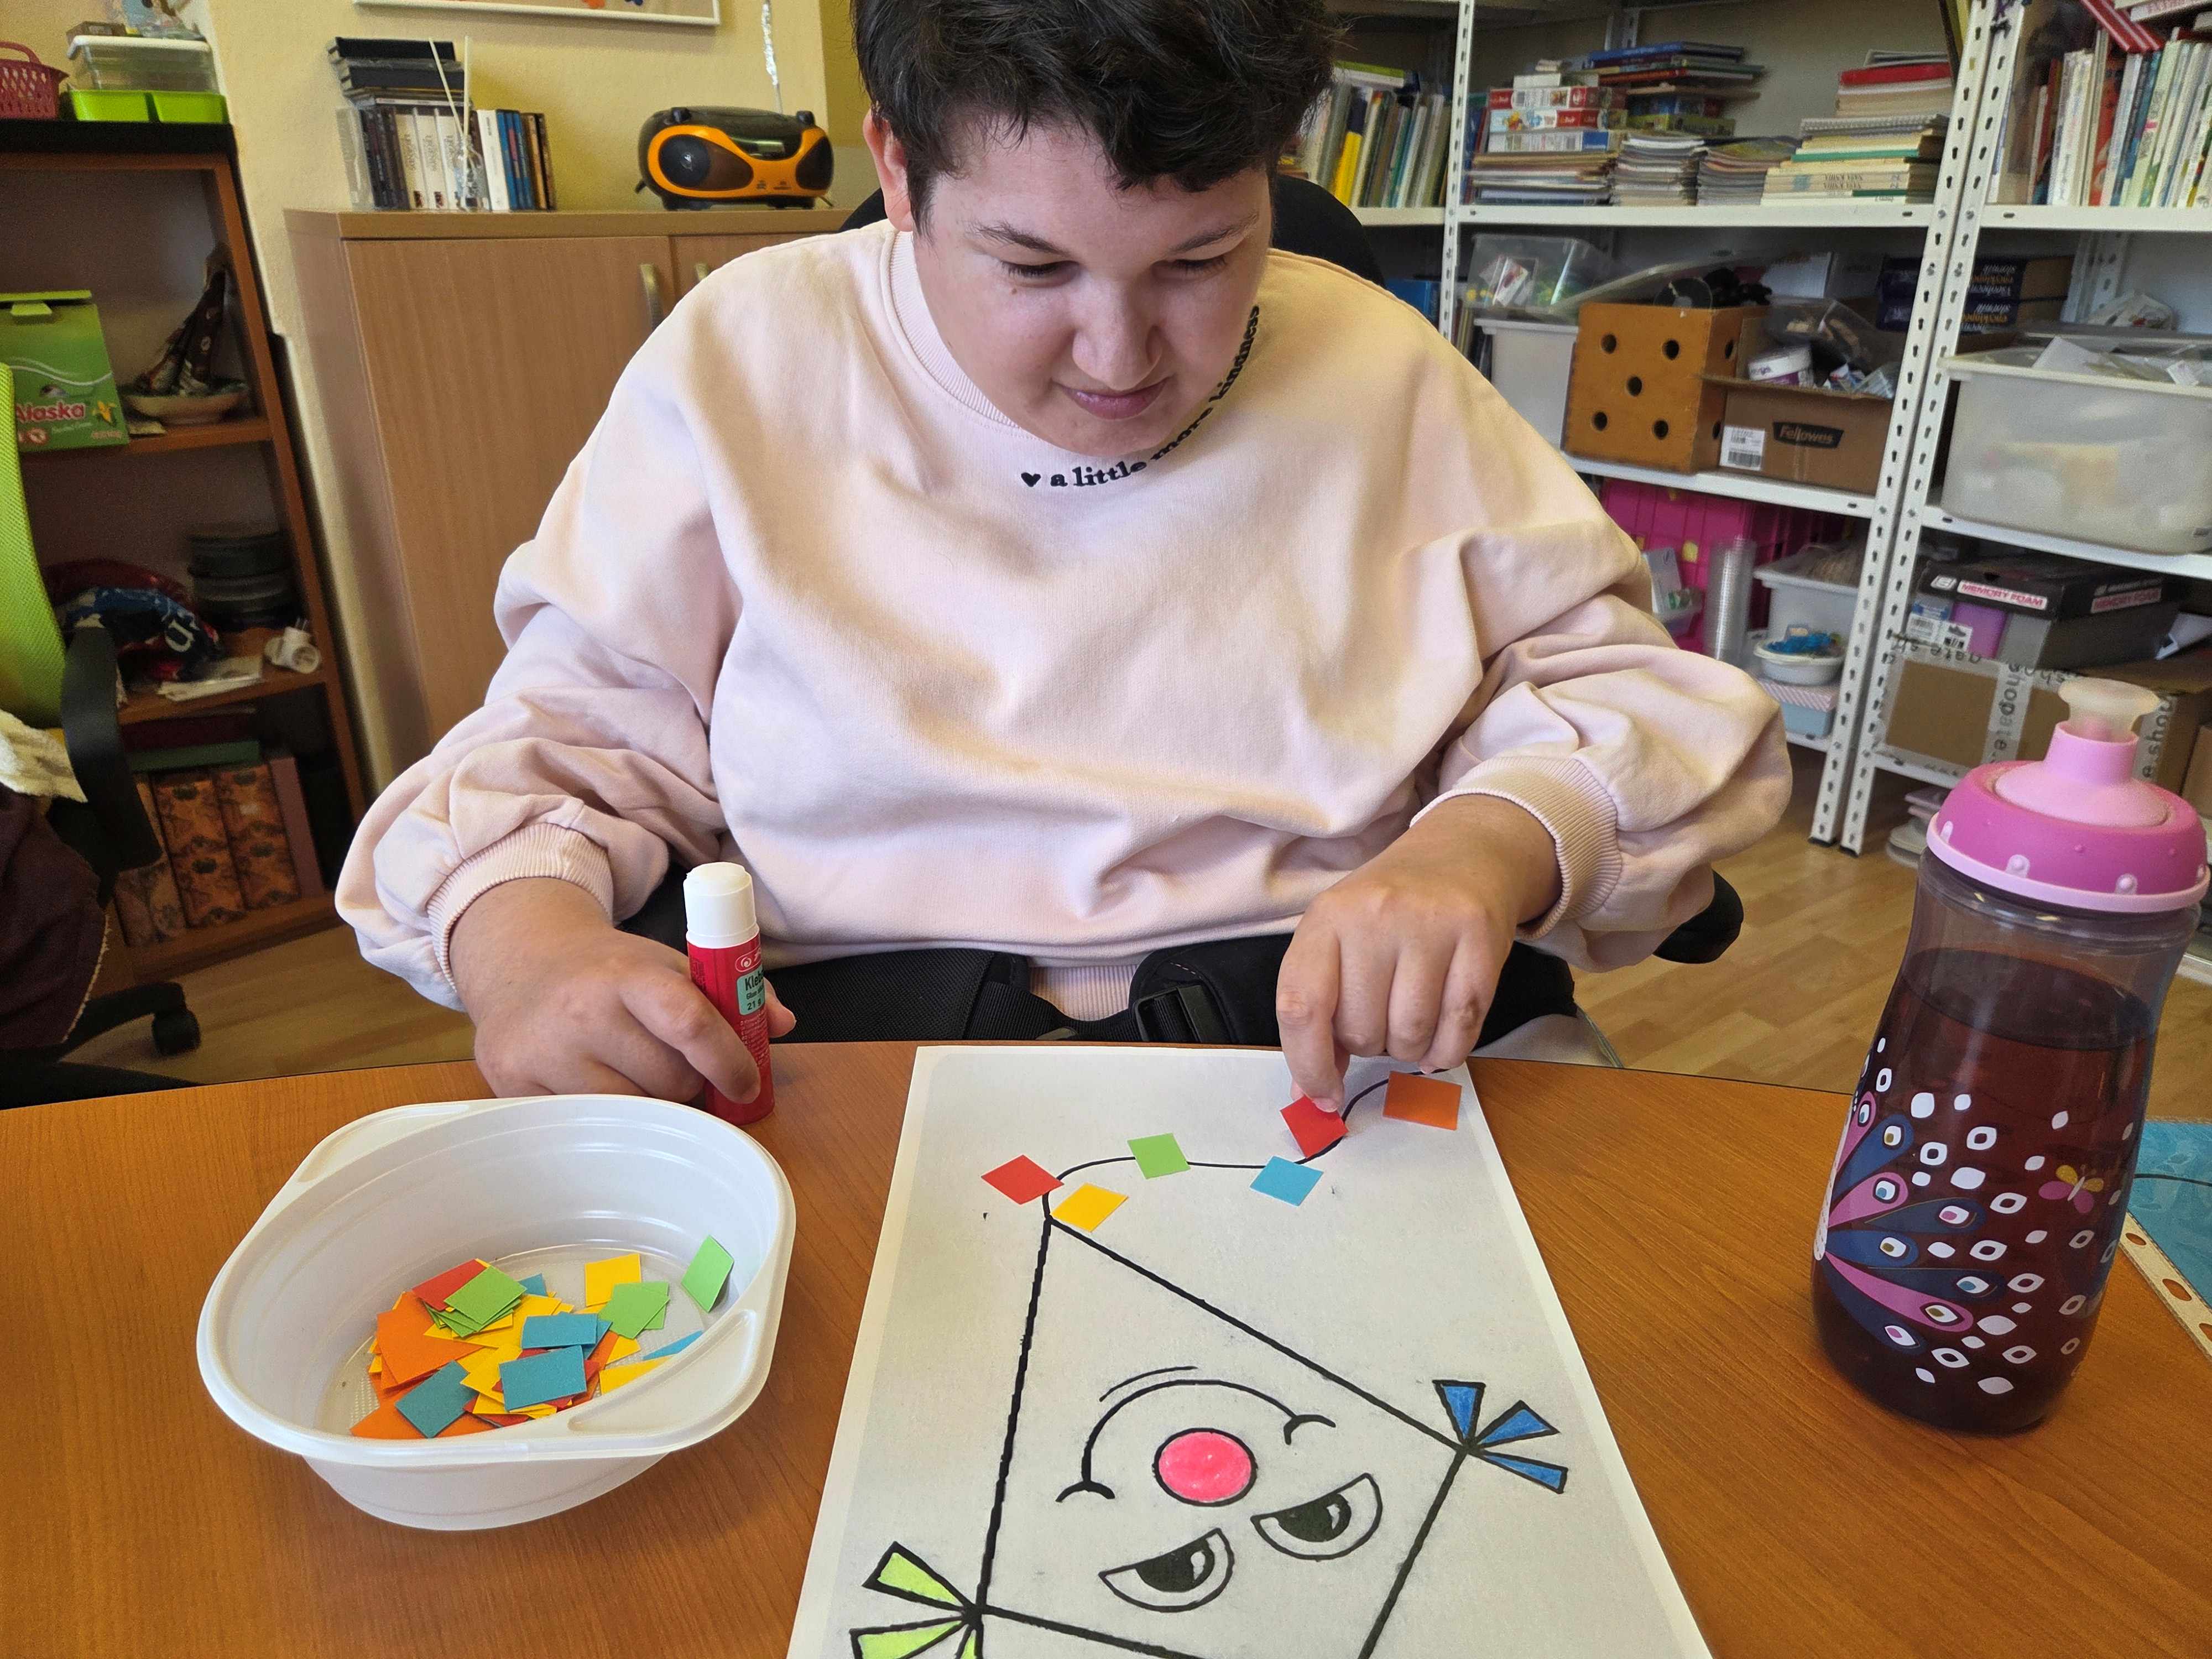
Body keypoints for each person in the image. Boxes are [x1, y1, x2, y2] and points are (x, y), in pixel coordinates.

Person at [338, 0, 1789, 1114]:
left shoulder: (1380, 365)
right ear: (897, 169)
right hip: (852, 1047)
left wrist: (1480, 850)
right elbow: (576, 738)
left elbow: (1618, 692)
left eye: (1200, 261)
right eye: (1033, 267)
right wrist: (528, 951)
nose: (1118, 356)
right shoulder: (742, 359)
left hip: (1341, 1029)